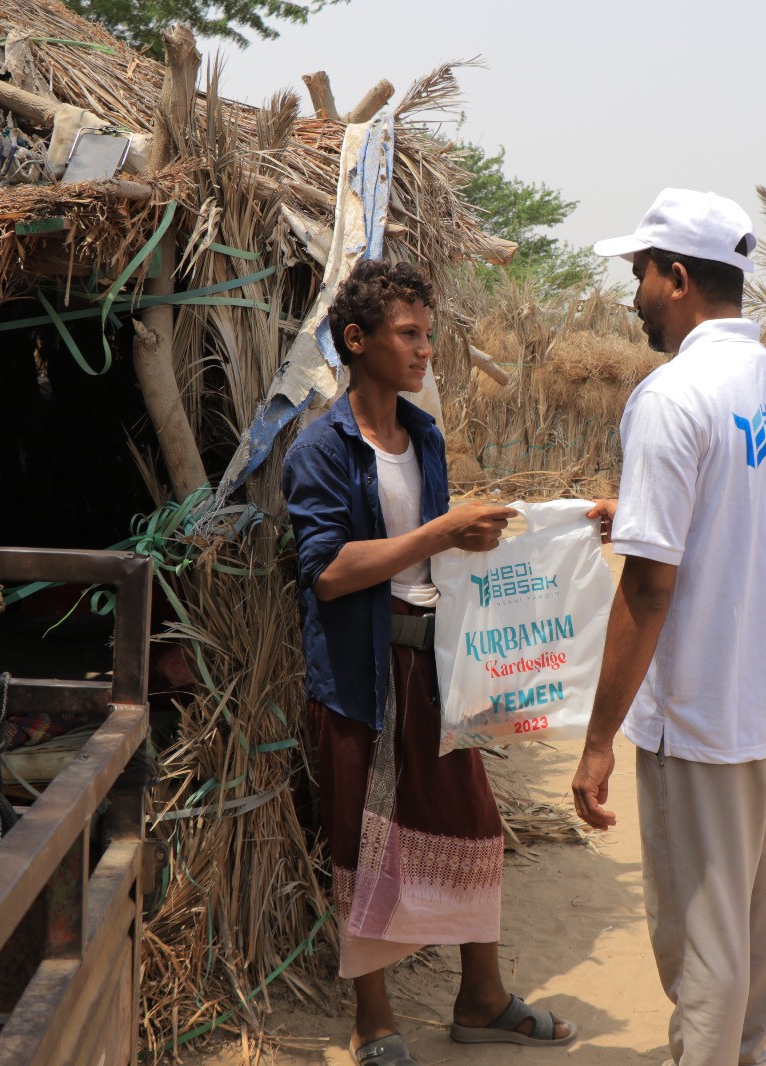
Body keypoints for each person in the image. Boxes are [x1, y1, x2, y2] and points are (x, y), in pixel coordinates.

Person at [283, 259, 578, 1065]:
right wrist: (440, 533)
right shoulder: (321, 449)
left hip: (436, 670)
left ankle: (480, 997)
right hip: (361, 677)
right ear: (358, 341)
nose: (425, 351)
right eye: (408, 335)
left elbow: (429, 564)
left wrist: (507, 532)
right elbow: (331, 574)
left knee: (472, 825)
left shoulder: (425, 437)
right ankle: (373, 1019)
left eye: (427, 335)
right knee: (367, 840)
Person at [571, 189, 766, 1066]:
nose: (632, 292)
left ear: (677, 279)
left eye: (639, 273)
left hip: (707, 714)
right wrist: (633, 513)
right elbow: (750, 525)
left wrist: (599, 739)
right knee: (758, 937)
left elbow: (648, 593)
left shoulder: (672, 396)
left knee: (707, 949)